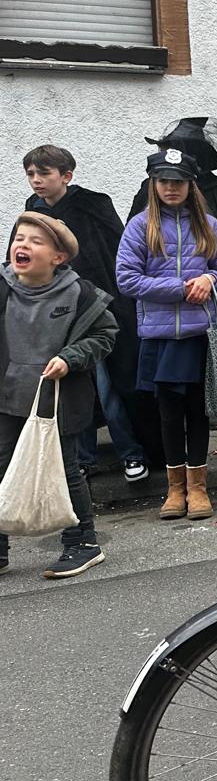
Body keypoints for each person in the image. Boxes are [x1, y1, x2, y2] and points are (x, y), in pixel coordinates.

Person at [116, 148, 217, 520]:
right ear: (154, 184)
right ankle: (175, 489)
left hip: (200, 333)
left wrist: (210, 279)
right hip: (160, 336)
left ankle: (198, 488)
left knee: (198, 411)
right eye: (164, 180)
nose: (171, 187)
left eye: (179, 181)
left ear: (190, 184)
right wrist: (182, 288)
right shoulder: (140, 226)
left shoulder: (209, 225)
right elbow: (126, 279)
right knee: (167, 414)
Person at [0, 213, 118, 579]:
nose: (23, 245)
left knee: (64, 471)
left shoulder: (79, 293)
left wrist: (70, 358)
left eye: (35, 242)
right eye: (19, 238)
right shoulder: (2, 287)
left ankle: (83, 543)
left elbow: (105, 335)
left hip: (58, 402)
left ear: (58, 257)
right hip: (7, 397)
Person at [22, 144, 148, 483]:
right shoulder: (33, 209)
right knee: (74, 387)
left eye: (44, 173)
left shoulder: (93, 203)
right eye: (31, 174)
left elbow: (118, 252)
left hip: (100, 308)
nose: (36, 180)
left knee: (109, 386)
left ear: (66, 176)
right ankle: (83, 458)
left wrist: (118, 301)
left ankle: (131, 452)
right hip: (57, 312)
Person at [126, 117, 217, 263]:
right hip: (155, 271)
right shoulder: (151, 185)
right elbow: (131, 233)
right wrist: (139, 267)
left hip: (203, 273)